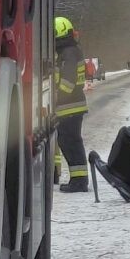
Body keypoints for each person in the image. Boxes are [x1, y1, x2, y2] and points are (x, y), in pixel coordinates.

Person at [53, 16, 89, 193]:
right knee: (68, 142)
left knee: (70, 142)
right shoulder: (70, 51)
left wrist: (56, 99)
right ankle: (78, 179)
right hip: (72, 106)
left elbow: (67, 81)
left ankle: (79, 181)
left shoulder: (68, 53)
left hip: (70, 106)